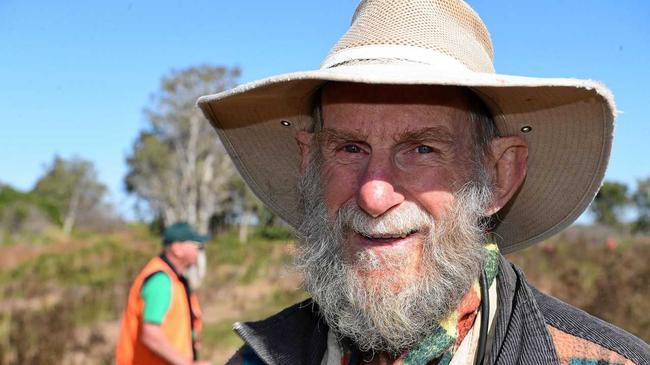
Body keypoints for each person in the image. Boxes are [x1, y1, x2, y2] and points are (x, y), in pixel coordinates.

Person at [197, 1, 649, 364]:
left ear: (497, 176)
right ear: (309, 164)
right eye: (350, 148)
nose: (374, 195)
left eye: (422, 150)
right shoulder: (257, 358)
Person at [116, 222, 211, 365]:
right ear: (177, 248)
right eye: (196, 244)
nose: (199, 250)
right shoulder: (160, 280)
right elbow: (151, 335)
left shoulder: (174, 280)